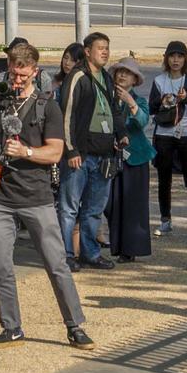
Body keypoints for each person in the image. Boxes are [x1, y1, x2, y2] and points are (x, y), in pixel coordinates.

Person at [0, 43, 95, 350]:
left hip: (36, 195)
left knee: (56, 263)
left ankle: (74, 325)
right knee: (0, 264)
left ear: (34, 72)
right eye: (13, 69)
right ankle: (11, 327)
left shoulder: (47, 106)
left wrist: (26, 151)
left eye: (22, 71)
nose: (16, 77)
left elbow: (55, 152)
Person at [58, 32, 125, 272]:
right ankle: (66, 254)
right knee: (69, 207)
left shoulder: (106, 77)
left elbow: (114, 109)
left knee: (94, 209)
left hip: (104, 154)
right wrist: (71, 149)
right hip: (81, 155)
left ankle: (90, 253)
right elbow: (67, 114)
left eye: (107, 48)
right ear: (87, 51)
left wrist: (121, 133)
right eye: (100, 48)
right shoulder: (77, 76)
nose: (105, 52)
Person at [148, 41, 187, 236]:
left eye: (180, 56)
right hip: (164, 134)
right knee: (164, 179)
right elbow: (151, 108)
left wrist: (185, 98)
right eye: (172, 56)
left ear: (185, 59)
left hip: (186, 134)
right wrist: (163, 100)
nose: (176, 60)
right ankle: (165, 219)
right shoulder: (159, 80)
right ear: (166, 58)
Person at [106, 56, 153, 262]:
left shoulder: (139, 100)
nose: (122, 75)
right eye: (119, 71)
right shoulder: (106, 98)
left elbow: (142, 121)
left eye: (128, 73)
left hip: (136, 159)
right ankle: (116, 245)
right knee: (111, 204)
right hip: (110, 157)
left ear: (135, 80)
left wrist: (130, 102)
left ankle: (130, 250)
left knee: (134, 205)